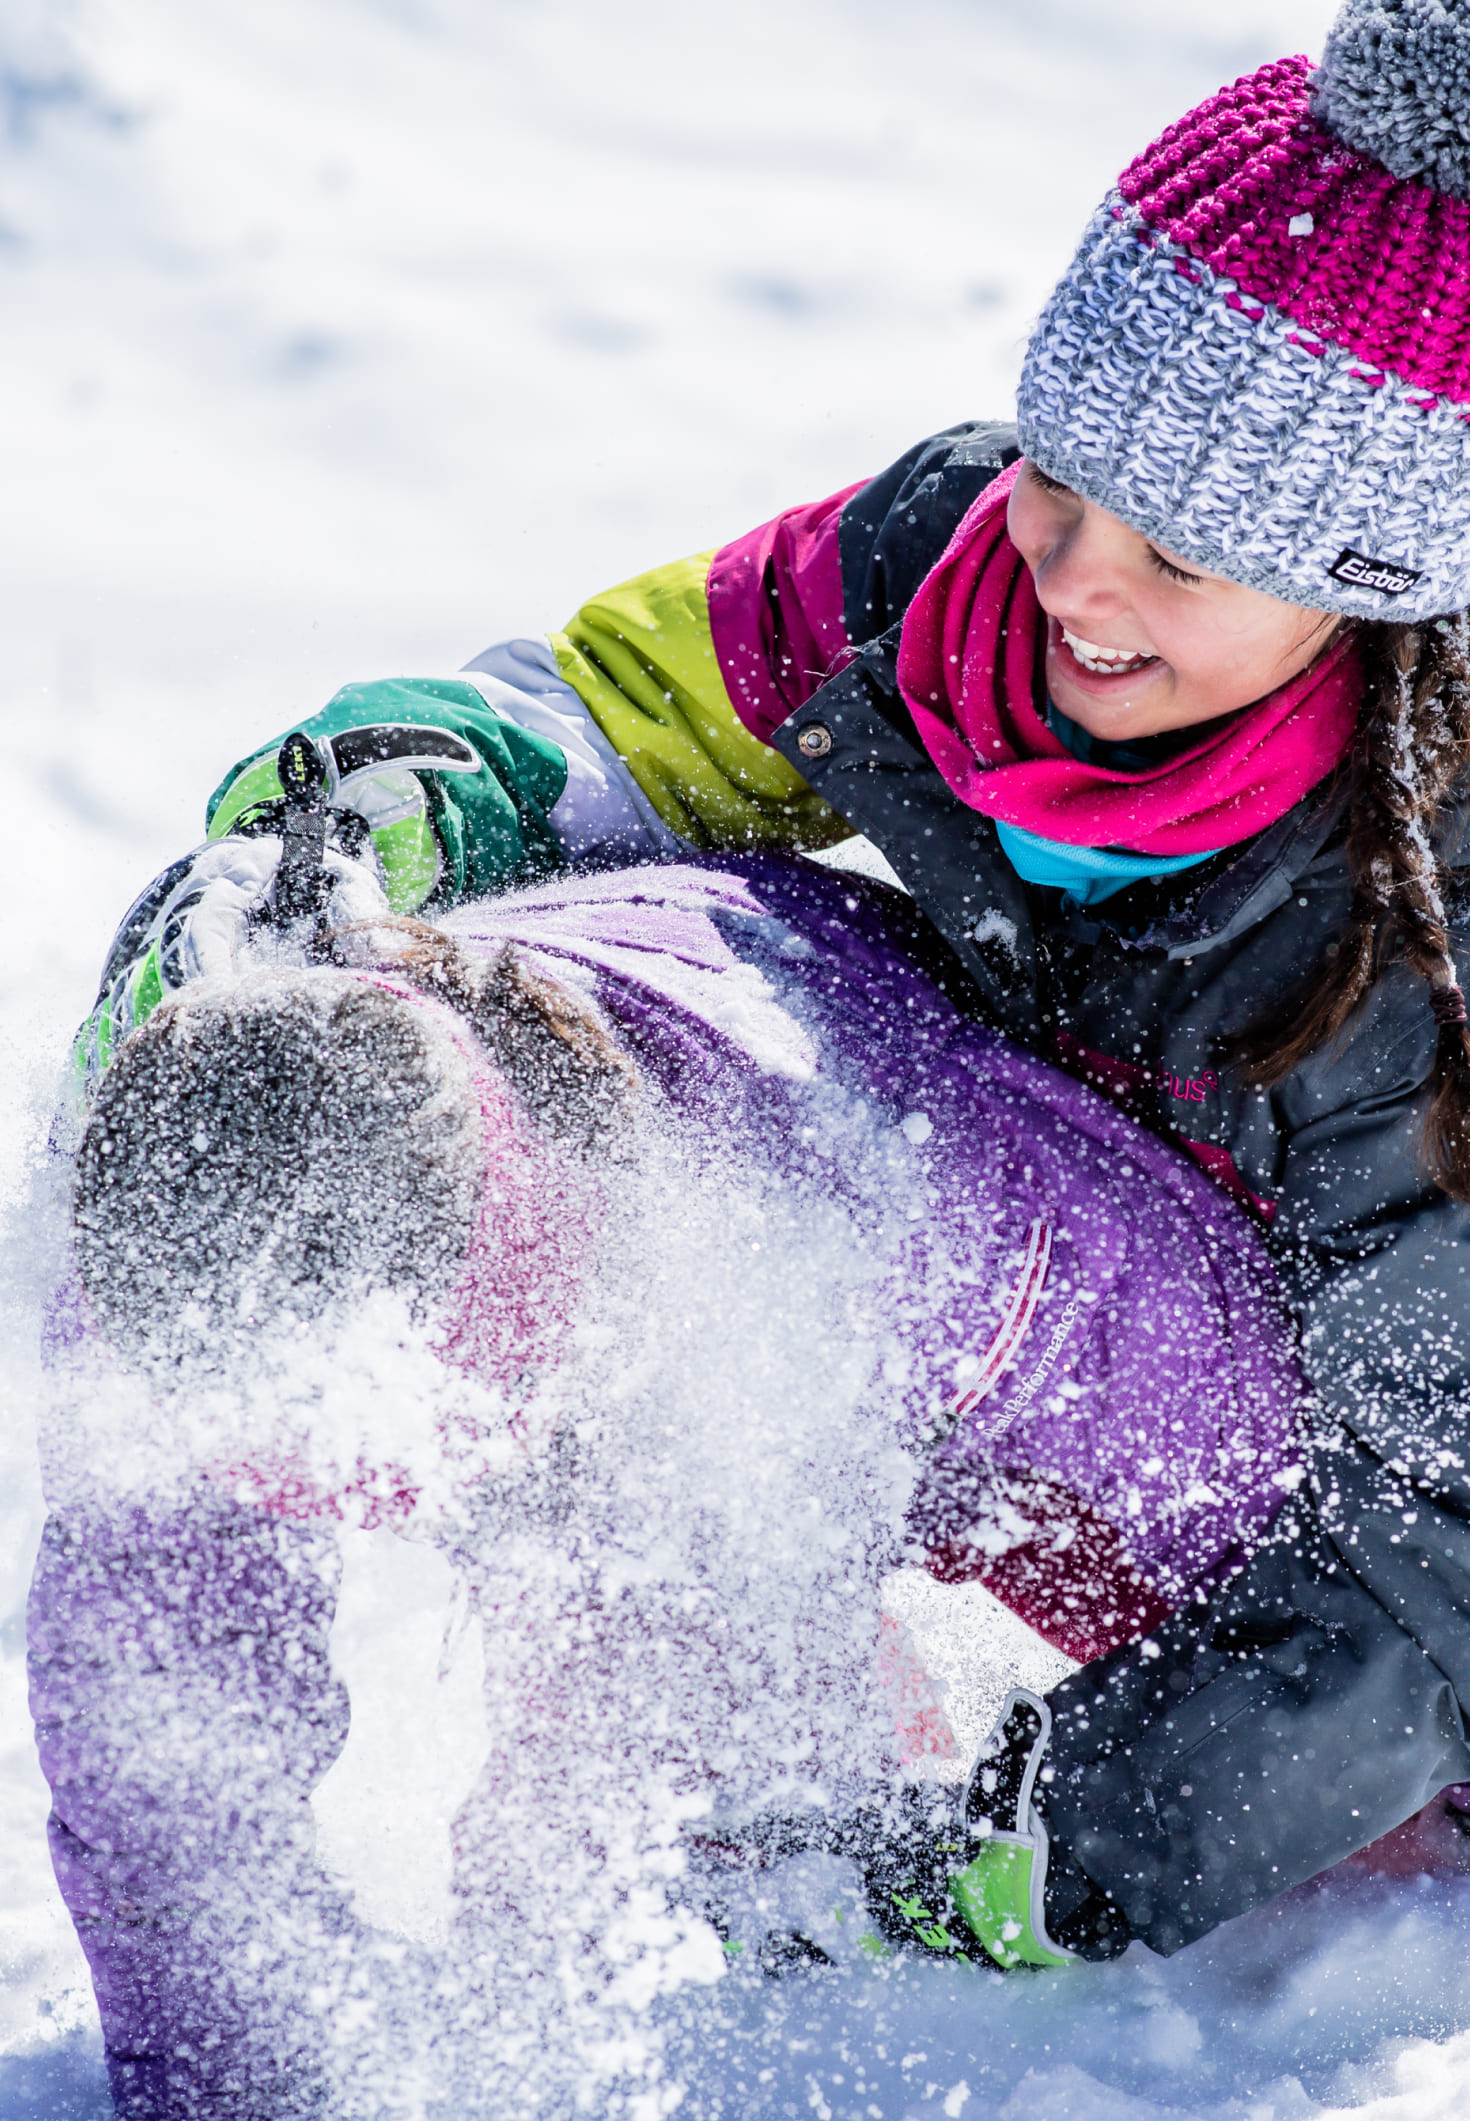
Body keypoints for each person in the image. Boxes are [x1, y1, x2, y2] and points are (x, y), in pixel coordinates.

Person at [31, 0, 1470, 2059]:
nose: (1073, 575)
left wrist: (1054, 1839)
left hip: (1315, 1539)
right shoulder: (942, 578)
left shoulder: (1418, 933)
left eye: (1184, 554)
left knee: (758, 1292)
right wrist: (424, 779)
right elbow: (622, 701)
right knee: (679, 1238)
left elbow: (1434, 1539)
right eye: (1068, 476)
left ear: (1373, 580)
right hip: (974, 1287)